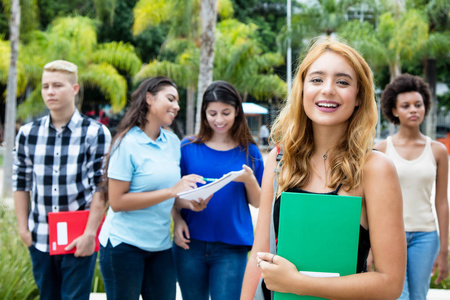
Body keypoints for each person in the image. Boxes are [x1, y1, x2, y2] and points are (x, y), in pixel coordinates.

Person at [240, 38, 407, 300]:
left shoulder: (375, 169)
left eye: (342, 82)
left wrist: (297, 283)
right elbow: (259, 254)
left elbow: (390, 284)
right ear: (302, 90)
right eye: (317, 80)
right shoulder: (280, 159)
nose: (328, 90)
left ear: (359, 98)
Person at [98, 76, 208, 300]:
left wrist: (190, 203)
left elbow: (170, 194)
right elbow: (117, 203)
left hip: (159, 246)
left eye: (178, 102)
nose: (176, 106)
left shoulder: (173, 142)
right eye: (171, 99)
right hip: (123, 245)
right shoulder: (126, 143)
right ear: (149, 99)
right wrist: (171, 192)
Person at [12, 60, 111, 300]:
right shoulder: (27, 134)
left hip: (79, 238)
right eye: (46, 86)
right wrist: (23, 228)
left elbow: (101, 187)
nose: (50, 92)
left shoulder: (95, 132)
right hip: (40, 238)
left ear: (75, 89)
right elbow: (21, 182)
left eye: (57, 85)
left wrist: (90, 234)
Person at [172, 80, 264, 300]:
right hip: (189, 244)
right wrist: (177, 220)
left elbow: (258, 202)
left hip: (231, 247)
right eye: (212, 113)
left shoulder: (249, 151)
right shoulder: (187, 147)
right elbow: (174, 194)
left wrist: (249, 179)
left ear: (236, 112)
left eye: (226, 112)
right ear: (204, 113)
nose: (219, 120)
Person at [372, 73, 449, 299]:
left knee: (418, 296)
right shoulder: (381, 150)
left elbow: (442, 202)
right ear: (394, 111)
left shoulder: (437, 151)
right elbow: (370, 201)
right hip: (389, 236)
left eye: (418, 104)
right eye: (405, 106)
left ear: (425, 107)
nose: (413, 110)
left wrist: (444, 250)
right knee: (398, 296)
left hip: (426, 236)